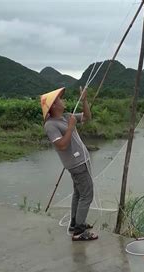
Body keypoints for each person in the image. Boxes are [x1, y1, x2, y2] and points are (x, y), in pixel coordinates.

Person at [40, 86, 98, 241]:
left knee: (79, 193)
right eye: (59, 99)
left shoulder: (66, 116)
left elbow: (87, 117)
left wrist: (84, 100)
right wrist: (71, 127)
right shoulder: (50, 125)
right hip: (76, 164)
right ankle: (79, 231)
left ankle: (74, 223)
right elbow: (62, 145)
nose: (63, 100)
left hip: (81, 161)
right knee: (87, 194)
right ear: (53, 106)